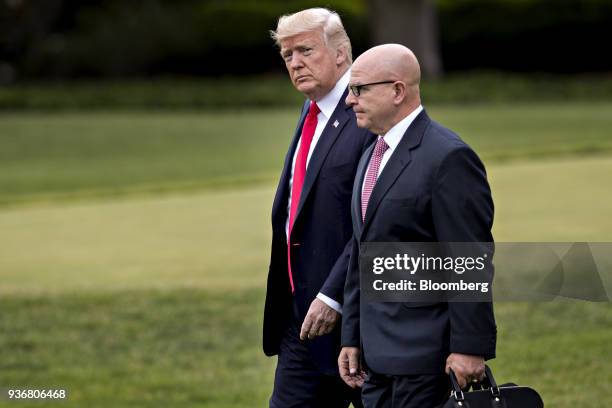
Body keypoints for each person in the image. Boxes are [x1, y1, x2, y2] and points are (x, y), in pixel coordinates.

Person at [338, 44, 497, 407]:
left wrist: (470, 348)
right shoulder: (371, 155)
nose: (349, 100)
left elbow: (468, 260)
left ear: (397, 91)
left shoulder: (449, 157)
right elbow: (361, 252)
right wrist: (352, 335)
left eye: (359, 89)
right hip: (374, 363)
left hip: (427, 363)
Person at [263, 8, 376, 408]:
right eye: (288, 55)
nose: (295, 63)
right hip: (301, 323)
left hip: (360, 322)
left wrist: (333, 296)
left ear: (342, 53)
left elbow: (372, 222)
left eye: (306, 50)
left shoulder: (367, 113)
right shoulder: (311, 110)